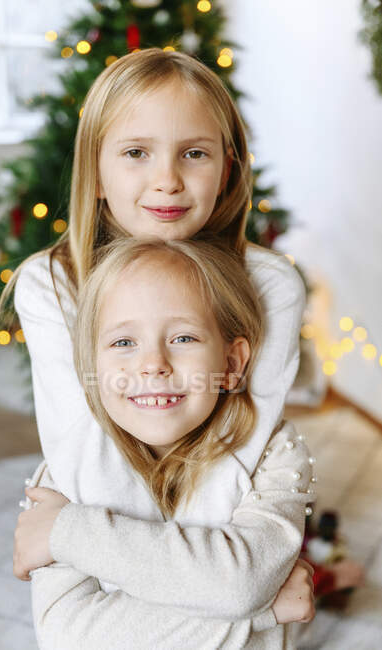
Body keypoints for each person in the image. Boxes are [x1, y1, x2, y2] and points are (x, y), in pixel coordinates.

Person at [0, 47, 315, 644]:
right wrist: (251, 596)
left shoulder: (267, 285)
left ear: (228, 168)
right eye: (137, 152)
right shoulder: (54, 285)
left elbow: (227, 464)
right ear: (95, 168)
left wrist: (66, 533)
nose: (167, 178)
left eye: (194, 153)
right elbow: (98, 478)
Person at [16, 237, 316, 649]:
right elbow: (66, 637)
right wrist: (262, 611)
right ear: (91, 367)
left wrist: (68, 531)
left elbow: (239, 586)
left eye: (183, 338)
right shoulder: (63, 472)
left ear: (231, 364)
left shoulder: (275, 455)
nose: (153, 364)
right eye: (124, 343)